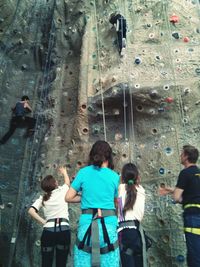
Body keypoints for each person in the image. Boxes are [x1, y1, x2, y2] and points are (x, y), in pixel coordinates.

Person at [65, 140, 120, 267]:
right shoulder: (115, 177)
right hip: (109, 225)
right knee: (110, 261)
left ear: (92, 155)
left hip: (86, 224)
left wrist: (84, 196)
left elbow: (68, 197)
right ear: (109, 157)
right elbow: (117, 202)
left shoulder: (83, 172)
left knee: (83, 261)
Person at [158, 145, 200, 267]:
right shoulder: (198, 173)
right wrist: (170, 189)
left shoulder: (185, 173)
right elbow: (192, 193)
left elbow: (177, 198)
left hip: (192, 216)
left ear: (186, 156)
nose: (180, 156)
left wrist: (173, 193)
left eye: (182, 154)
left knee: (194, 255)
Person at [28, 166, 78, 267]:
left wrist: (43, 221)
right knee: (61, 262)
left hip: (48, 232)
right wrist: (64, 172)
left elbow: (31, 210)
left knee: (46, 262)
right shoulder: (63, 191)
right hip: (63, 231)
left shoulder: (43, 198)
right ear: (55, 183)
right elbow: (67, 183)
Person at [117, 163, 146, 267]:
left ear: (122, 177)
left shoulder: (119, 188)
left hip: (123, 232)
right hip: (138, 233)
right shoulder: (141, 190)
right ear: (137, 176)